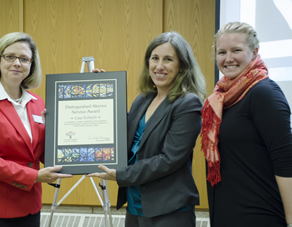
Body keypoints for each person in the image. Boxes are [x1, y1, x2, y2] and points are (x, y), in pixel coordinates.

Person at [88, 31, 206, 226]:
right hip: (135, 205)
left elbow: (169, 160)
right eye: (155, 58)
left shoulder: (187, 104)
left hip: (169, 210)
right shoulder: (143, 99)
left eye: (168, 59)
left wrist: (120, 175)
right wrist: (102, 92)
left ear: (182, 66)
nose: (159, 66)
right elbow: (115, 129)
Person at [0, 32, 73, 227]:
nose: (17, 63)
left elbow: (46, 153)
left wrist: (92, 87)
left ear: (31, 65)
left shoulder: (37, 103)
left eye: (24, 59)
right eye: (10, 56)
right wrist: (34, 176)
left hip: (29, 208)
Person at [201, 22, 292, 227]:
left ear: (254, 51)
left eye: (236, 50)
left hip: (260, 216)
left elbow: (285, 160)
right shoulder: (220, 98)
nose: (228, 58)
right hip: (227, 213)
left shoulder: (264, 93)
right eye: (222, 52)